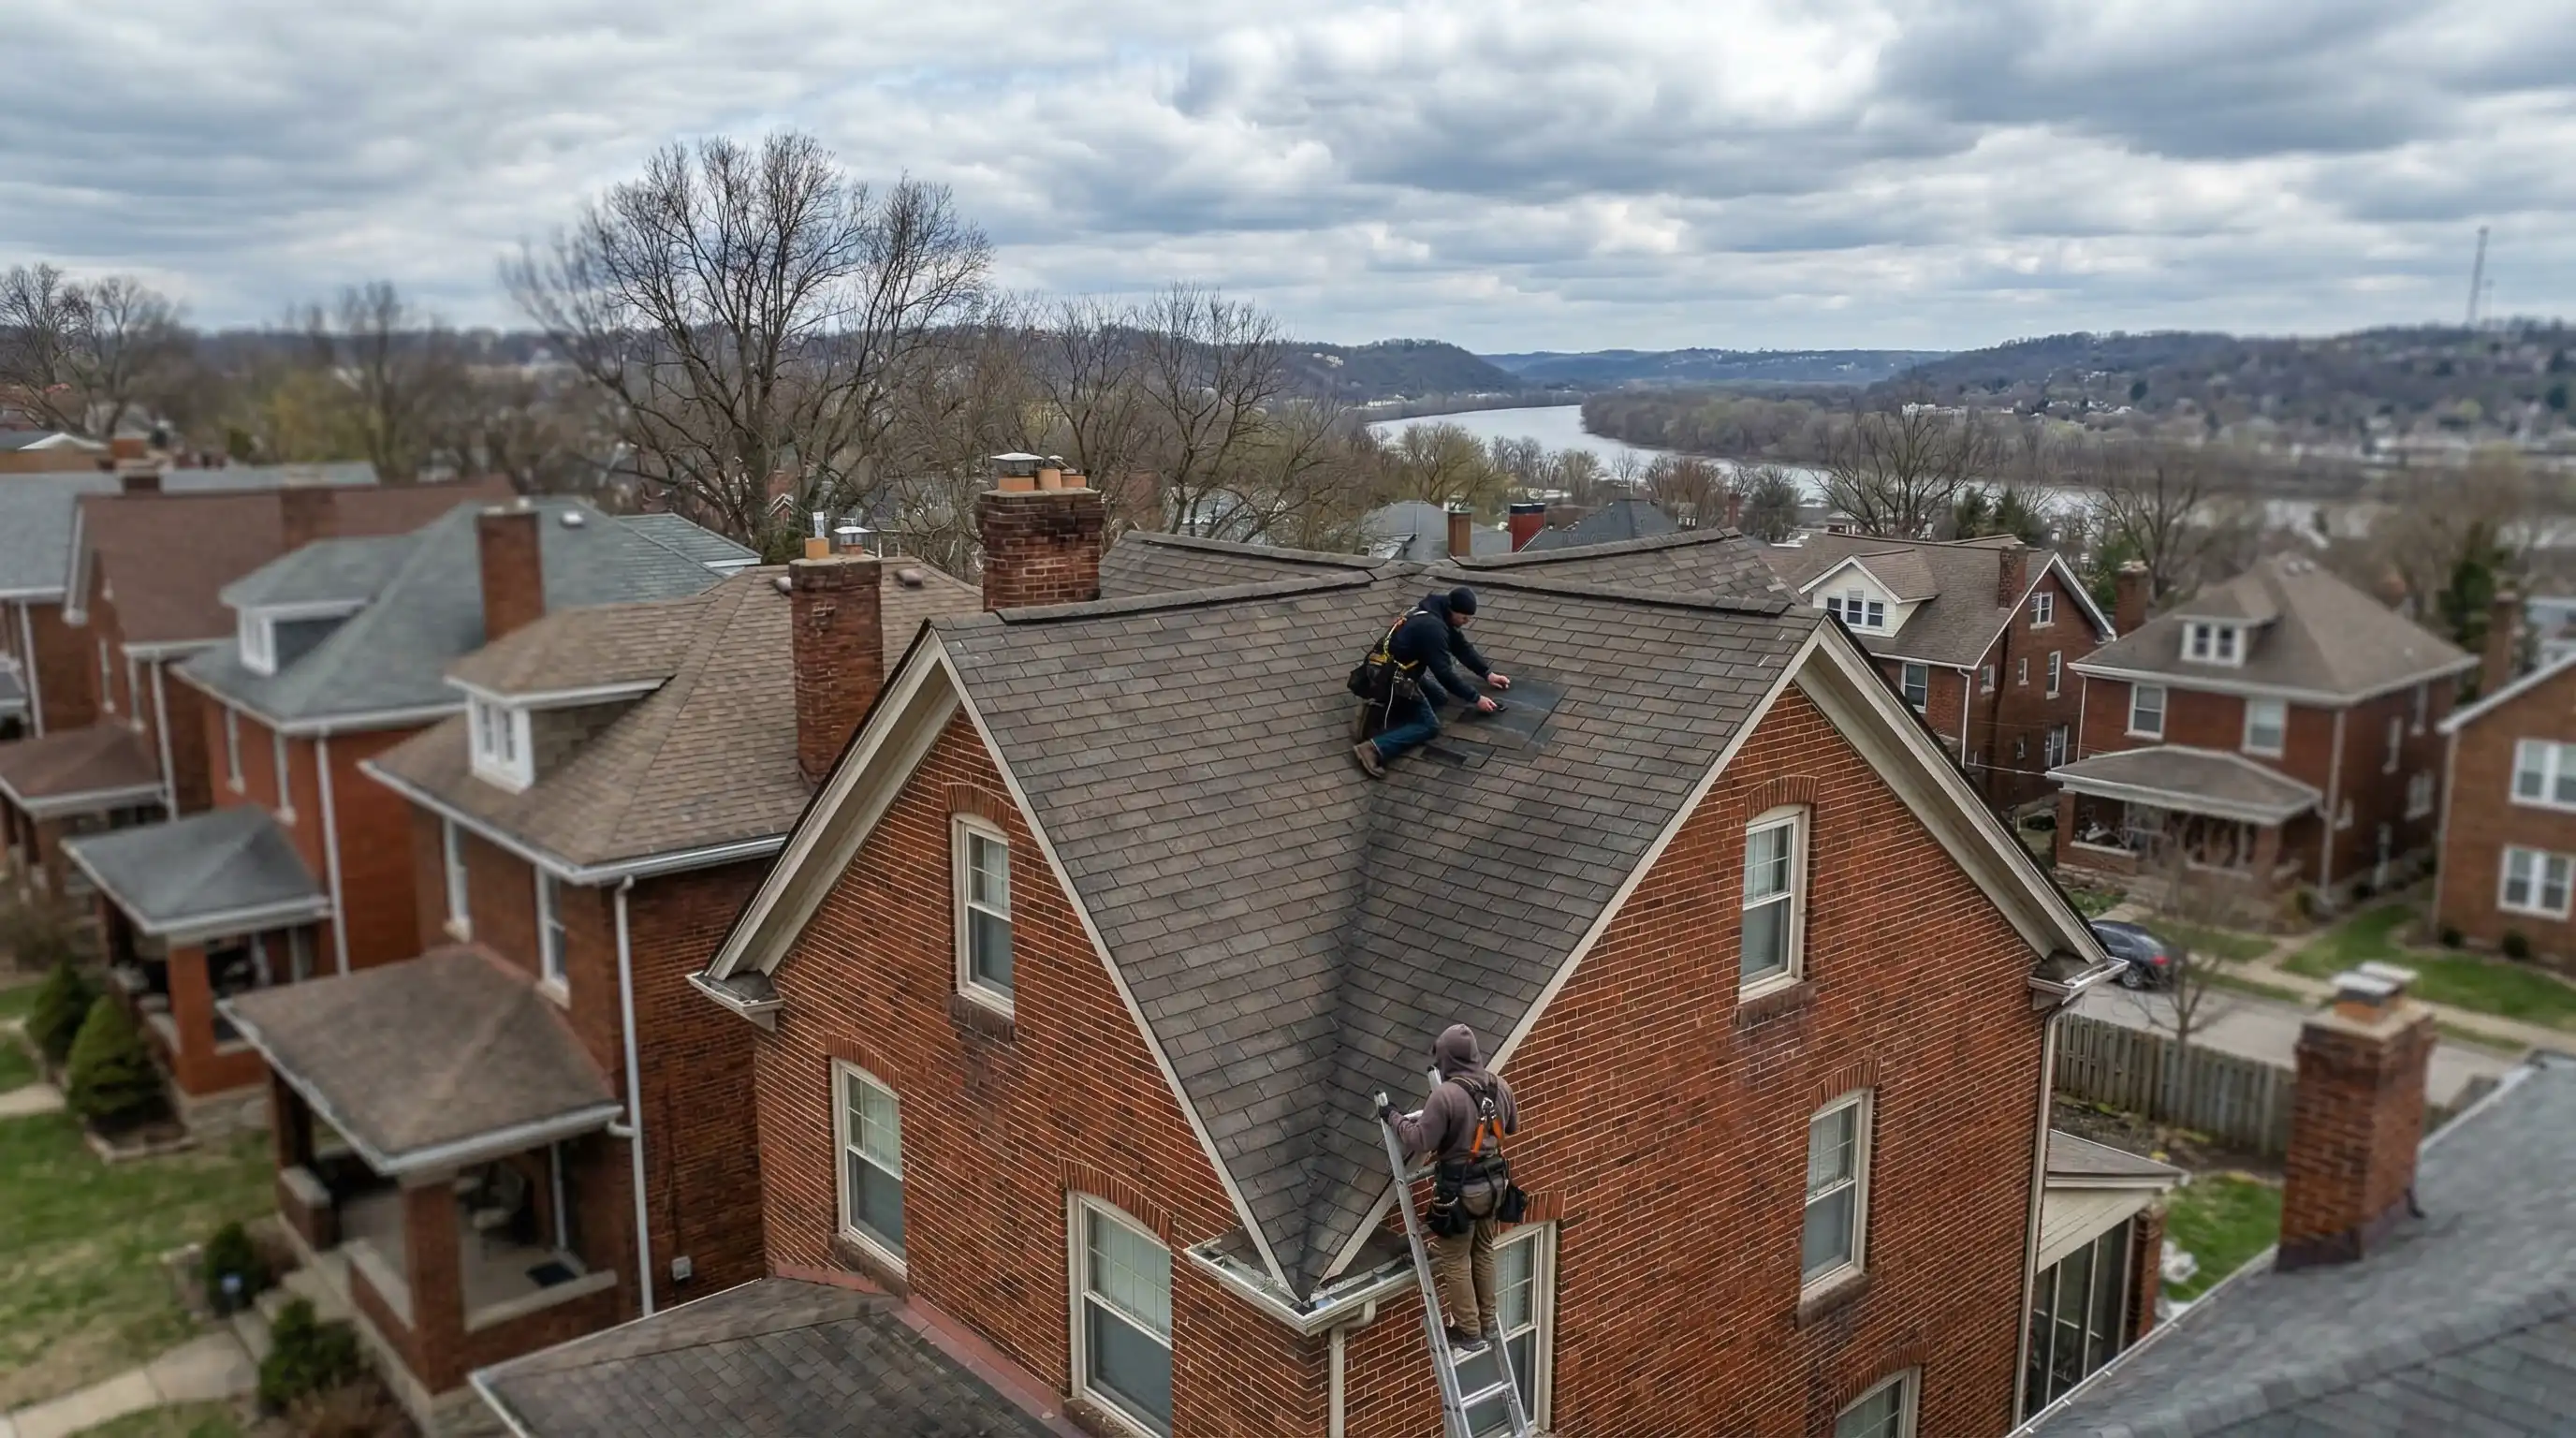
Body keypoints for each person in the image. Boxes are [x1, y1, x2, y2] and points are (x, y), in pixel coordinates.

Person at [1383, 1024, 1519, 1349]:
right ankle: (1487, 1325)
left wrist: (1393, 1117)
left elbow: (1421, 1140)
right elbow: (1511, 1127)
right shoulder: (1500, 1085)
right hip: (1495, 1185)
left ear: (1447, 1058)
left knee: (1455, 1258)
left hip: (1460, 1193)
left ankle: (1468, 1331)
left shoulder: (1445, 1096)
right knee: (1483, 1251)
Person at [1351, 587, 1512, 779]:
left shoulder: (1437, 612)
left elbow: (1461, 648)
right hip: (1392, 678)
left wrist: (1488, 674)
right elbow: (1444, 674)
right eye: (1464, 618)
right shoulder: (1432, 628)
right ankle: (1374, 747)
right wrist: (1475, 698)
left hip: (1393, 670)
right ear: (1452, 610)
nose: (1466, 622)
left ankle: (1387, 716)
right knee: (1430, 726)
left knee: (1439, 698)